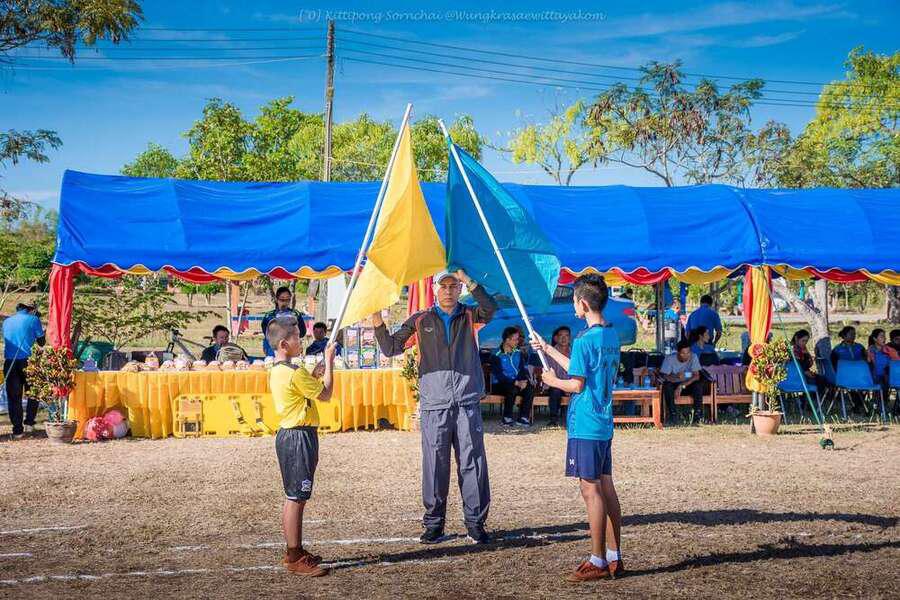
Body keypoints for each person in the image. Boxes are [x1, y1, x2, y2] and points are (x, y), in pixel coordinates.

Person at [372, 269, 497, 545]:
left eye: (453, 286)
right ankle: (434, 525)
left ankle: (475, 524)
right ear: (434, 289)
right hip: (434, 404)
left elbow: (490, 308)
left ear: (459, 289)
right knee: (434, 465)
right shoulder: (420, 320)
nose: (449, 291)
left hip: (466, 401)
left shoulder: (470, 315)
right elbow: (391, 348)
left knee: (472, 462)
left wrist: (469, 279)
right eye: (444, 286)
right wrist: (377, 320)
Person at [532, 274, 624, 583]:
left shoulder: (584, 340)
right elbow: (582, 366)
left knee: (590, 490)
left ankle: (597, 559)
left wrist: (551, 381)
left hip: (585, 423)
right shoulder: (609, 335)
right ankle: (614, 555)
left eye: (574, 300)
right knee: (606, 487)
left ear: (583, 303)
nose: (573, 305)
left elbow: (576, 383)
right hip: (603, 422)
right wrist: (547, 348)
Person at [267, 316, 336, 577]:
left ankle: (295, 550)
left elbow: (302, 391)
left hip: (291, 434)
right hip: (298, 437)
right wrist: (330, 363)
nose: (301, 340)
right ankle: (294, 556)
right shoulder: (294, 372)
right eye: (296, 337)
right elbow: (325, 394)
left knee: (296, 495)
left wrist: (314, 374)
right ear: (284, 344)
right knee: (296, 497)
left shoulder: (279, 370)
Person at [3, 303, 45, 438]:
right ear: (30, 310)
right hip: (28, 362)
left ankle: (17, 430)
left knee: (14, 397)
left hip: (10, 362)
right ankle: (29, 423)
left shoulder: (6, 321)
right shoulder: (34, 319)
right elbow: (42, 342)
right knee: (33, 393)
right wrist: (38, 323)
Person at [490, 327, 534, 427]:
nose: (518, 341)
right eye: (515, 339)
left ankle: (523, 417)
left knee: (529, 388)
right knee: (512, 388)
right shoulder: (496, 355)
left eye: (518, 339)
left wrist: (524, 381)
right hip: (499, 384)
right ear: (507, 340)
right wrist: (515, 382)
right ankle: (507, 417)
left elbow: (522, 370)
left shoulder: (518, 353)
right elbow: (499, 375)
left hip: (517, 383)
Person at [661, 340, 704, 425]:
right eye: (683, 353)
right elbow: (664, 376)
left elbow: (696, 376)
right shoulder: (670, 359)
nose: (686, 356)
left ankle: (697, 415)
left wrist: (681, 385)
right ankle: (673, 415)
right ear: (678, 353)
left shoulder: (693, 357)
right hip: (674, 385)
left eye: (688, 353)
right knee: (667, 386)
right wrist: (676, 377)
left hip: (686, 385)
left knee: (698, 385)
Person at [262, 287, 307, 357]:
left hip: (292, 349)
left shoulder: (296, 314)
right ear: (276, 299)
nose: (285, 303)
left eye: (288, 300)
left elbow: (302, 333)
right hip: (273, 351)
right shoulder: (269, 316)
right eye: (282, 300)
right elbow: (267, 334)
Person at [545, 326, 572, 427]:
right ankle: (553, 419)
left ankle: (572, 418)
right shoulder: (550, 353)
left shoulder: (574, 352)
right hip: (555, 383)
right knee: (555, 390)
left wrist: (569, 385)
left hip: (571, 383)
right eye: (561, 336)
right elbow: (550, 373)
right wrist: (563, 385)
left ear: (570, 338)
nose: (564, 338)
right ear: (556, 338)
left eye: (567, 336)